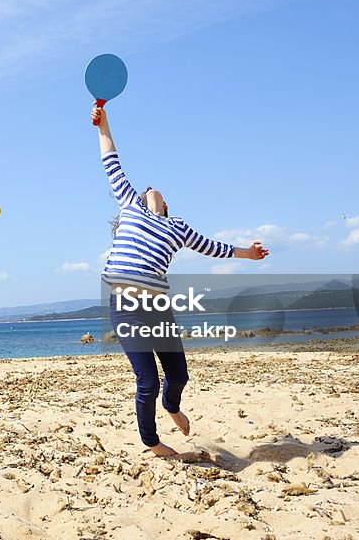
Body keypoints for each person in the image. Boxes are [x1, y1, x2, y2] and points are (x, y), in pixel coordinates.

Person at [92, 105, 269, 457]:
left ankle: (173, 407)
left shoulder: (178, 227)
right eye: (146, 189)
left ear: (167, 206)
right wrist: (103, 120)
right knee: (147, 382)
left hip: (157, 309)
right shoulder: (130, 204)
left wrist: (246, 254)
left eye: (157, 190)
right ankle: (152, 442)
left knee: (178, 376)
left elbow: (212, 247)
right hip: (126, 309)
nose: (151, 188)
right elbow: (111, 158)